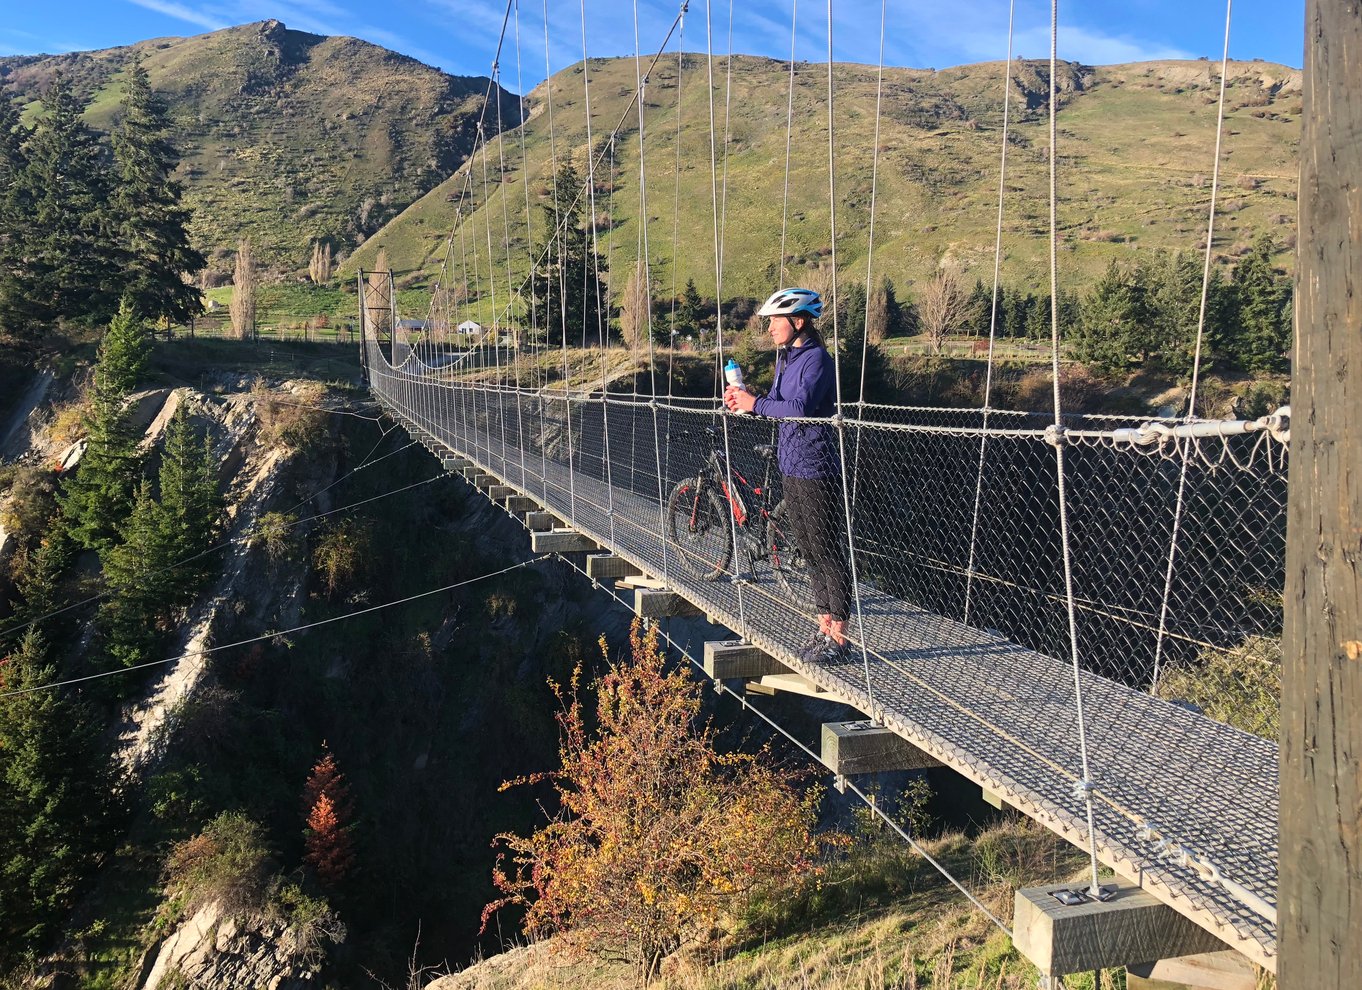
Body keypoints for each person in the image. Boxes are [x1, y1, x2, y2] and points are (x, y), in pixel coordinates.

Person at [724, 287, 853, 661]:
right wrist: (746, 401)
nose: (769, 329)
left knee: (826, 549)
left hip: (815, 466)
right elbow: (778, 404)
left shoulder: (817, 360)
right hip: (790, 464)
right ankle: (823, 627)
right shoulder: (786, 358)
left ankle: (840, 639)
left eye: (774, 321)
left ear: (798, 321)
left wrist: (756, 404)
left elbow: (799, 407)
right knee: (808, 549)